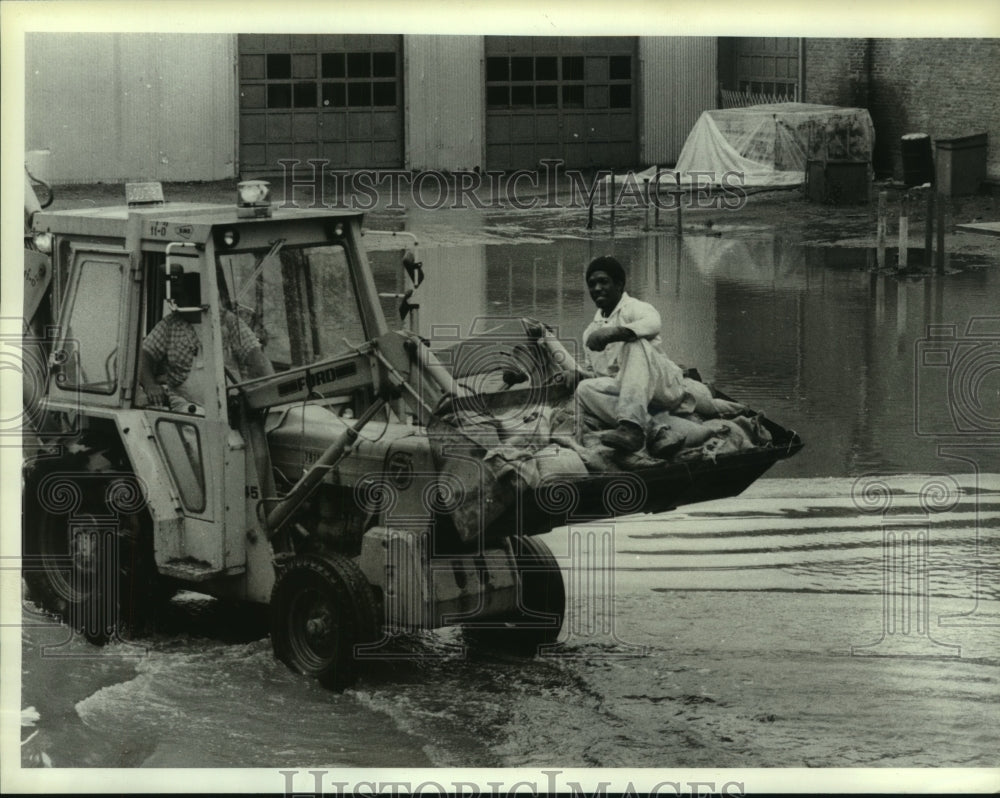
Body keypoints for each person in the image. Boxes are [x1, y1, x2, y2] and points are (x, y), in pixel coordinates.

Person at [573, 255, 735, 453]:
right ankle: (652, 430)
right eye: (592, 284)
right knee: (583, 389)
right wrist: (576, 374)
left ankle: (631, 427)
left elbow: (653, 324)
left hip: (662, 386)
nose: (597, 288)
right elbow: (596, 375)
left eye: (603, 282)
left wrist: (615, 333)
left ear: (619, 284)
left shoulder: (635, 308)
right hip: (628, 395)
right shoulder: (590, 332)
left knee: (635, 343)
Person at [139, 273, 273, 412]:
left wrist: (272, 389)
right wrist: (150, 385)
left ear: (197, 299)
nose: (175, 301)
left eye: (180, 296)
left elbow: (256, 359)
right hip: (186, 408)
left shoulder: (229, 322)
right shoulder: (170, 325)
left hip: (231, 406)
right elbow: (143, 355)